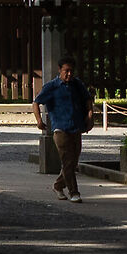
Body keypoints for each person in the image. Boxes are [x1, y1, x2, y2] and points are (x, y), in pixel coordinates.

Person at [35, 57, 94, 201]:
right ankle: (74, 192)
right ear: (59, 70)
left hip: (76, 127)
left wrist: (90, 115)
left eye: (71, 71)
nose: (69, 74)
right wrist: (38, 120)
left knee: (73, 161)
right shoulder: (51, 86)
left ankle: (58, 185)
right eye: (66, 71)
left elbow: (87, 99)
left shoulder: (77, 84)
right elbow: (36, 102)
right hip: (60, 128)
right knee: (67, 160)